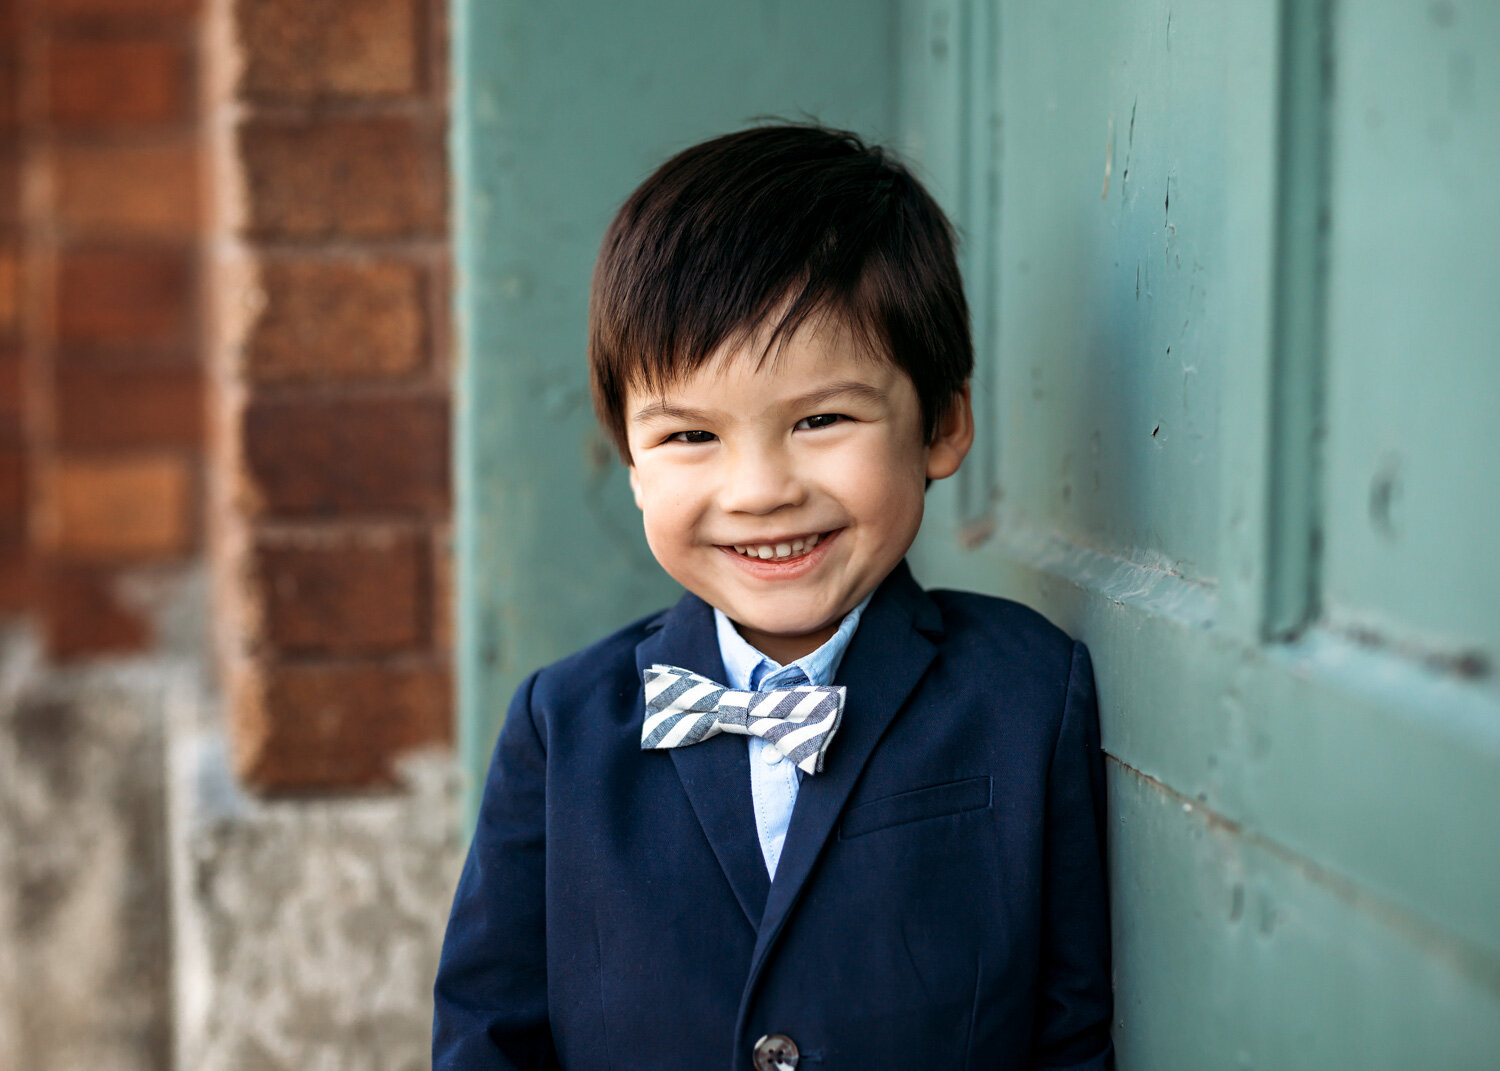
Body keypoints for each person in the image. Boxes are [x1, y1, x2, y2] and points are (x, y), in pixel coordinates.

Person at [433, 123, 1112, 1071]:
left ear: (943, 424)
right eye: (689, 437)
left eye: (821, 419)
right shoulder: (562, 728)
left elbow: (1070, 1035)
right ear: (632, 460)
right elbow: (486, 1038)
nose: (759, 490)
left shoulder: (1029, 691)